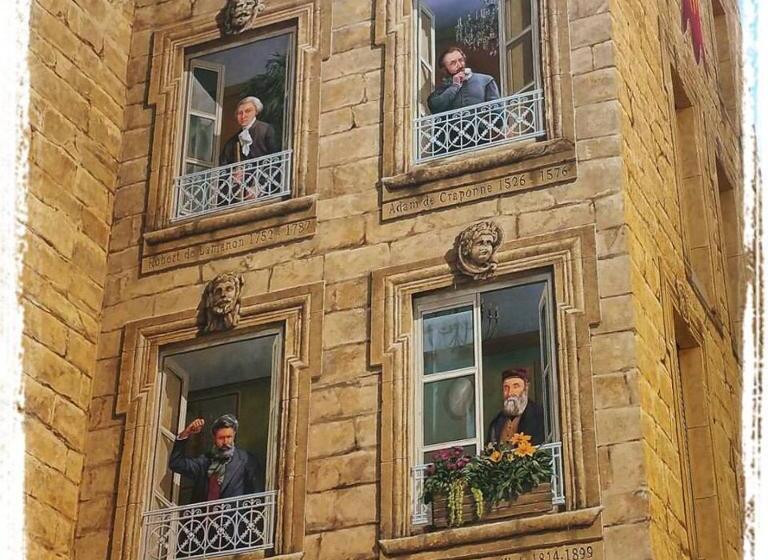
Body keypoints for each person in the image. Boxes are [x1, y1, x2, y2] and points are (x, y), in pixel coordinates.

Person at [169, 414, 262, 504]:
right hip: (203, 515)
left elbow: (257, 494)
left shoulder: (245, 460)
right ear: (214, 438)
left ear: (234, 435)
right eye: (221, 438)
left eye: (229, 437)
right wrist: (186, 433)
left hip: (235, 514)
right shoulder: (204, 461)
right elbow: (176, 463)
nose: (225, 442)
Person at [427, 47, 500, 114]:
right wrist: (455, 86)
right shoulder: (442, 90)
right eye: (453, 63)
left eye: (460, 60)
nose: (459, 65)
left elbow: (497, 110)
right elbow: (434, 107)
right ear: (445, 69)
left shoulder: (485, 80)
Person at [487, 368, 545, 446]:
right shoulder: (496, 423)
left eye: (516, 386)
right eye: (506, 388)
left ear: (526, 388)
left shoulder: (539, 415)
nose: (510, 393)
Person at [219, 96, 279, 166]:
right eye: (240, 113)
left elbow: (276, 157)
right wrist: (233, 171)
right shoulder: (233, 141)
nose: (243, 116)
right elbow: (223, 164)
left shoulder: (266, 129)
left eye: (248, 111)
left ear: (256, 112)